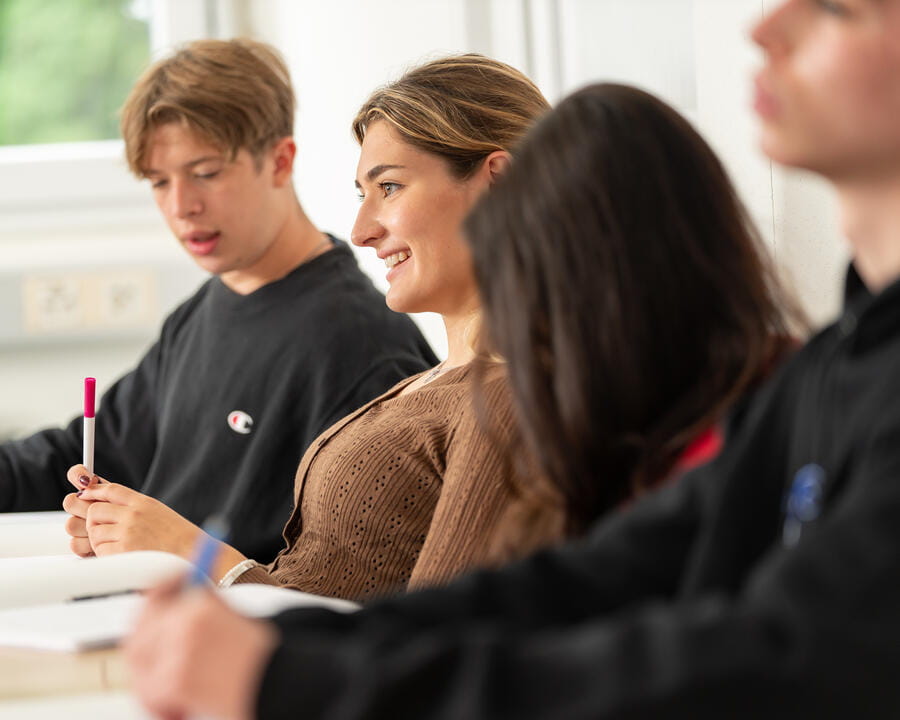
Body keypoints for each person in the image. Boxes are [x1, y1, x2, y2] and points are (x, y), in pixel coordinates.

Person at [124, 0, 900, 715]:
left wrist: (289, 671)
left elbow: (782, 654)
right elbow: (596, 577)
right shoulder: (832, 365)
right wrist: (289, 649)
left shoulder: (505, 392)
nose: (763, 27)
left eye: (838, 6)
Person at [64, 54, 552, 602]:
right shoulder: (438, 383)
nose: (361, 230)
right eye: (362, 195)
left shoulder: (502, 399)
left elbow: (433, 646)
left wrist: (188, 552)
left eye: (389, 187)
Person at [0, 39, 436, 563]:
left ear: (279, 161)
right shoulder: (205, 309)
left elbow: (347, 578)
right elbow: (83, 455)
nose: (181, 206)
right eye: (159, 182)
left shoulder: (361, 348)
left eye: (205, 173)